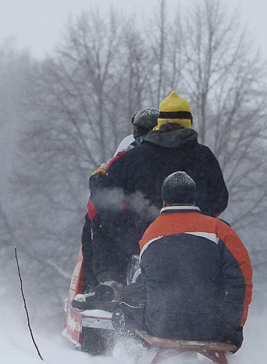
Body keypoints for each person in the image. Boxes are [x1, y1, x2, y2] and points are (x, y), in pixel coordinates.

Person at [84, 92, 229, 304]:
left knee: (99, 220)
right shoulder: (204, 157)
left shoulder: (134, 158)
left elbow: (104, 199)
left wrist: (98, 177)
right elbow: (219, 202)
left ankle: (112, 285)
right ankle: (218, 294)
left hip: (142, 241)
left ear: (159, 123)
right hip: (195, 243)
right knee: (223, 231)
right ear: (189, 123)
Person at [115, 171, 252, 347]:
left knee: (130, 293)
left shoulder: (151, 233)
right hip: (212, 328)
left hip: (161, 326)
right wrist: (234, 328)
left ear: (164, 202)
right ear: (194, 201)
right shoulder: (220, 231)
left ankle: (138, 354)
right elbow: (241, 281)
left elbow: (146, 281)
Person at [77, 107, 159, 297]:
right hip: (165, 228)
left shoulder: (125, 159)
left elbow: (99, 201)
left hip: (132, 232)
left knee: (95, 221)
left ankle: (104, 283)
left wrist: (99, 176)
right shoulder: (178, 157)